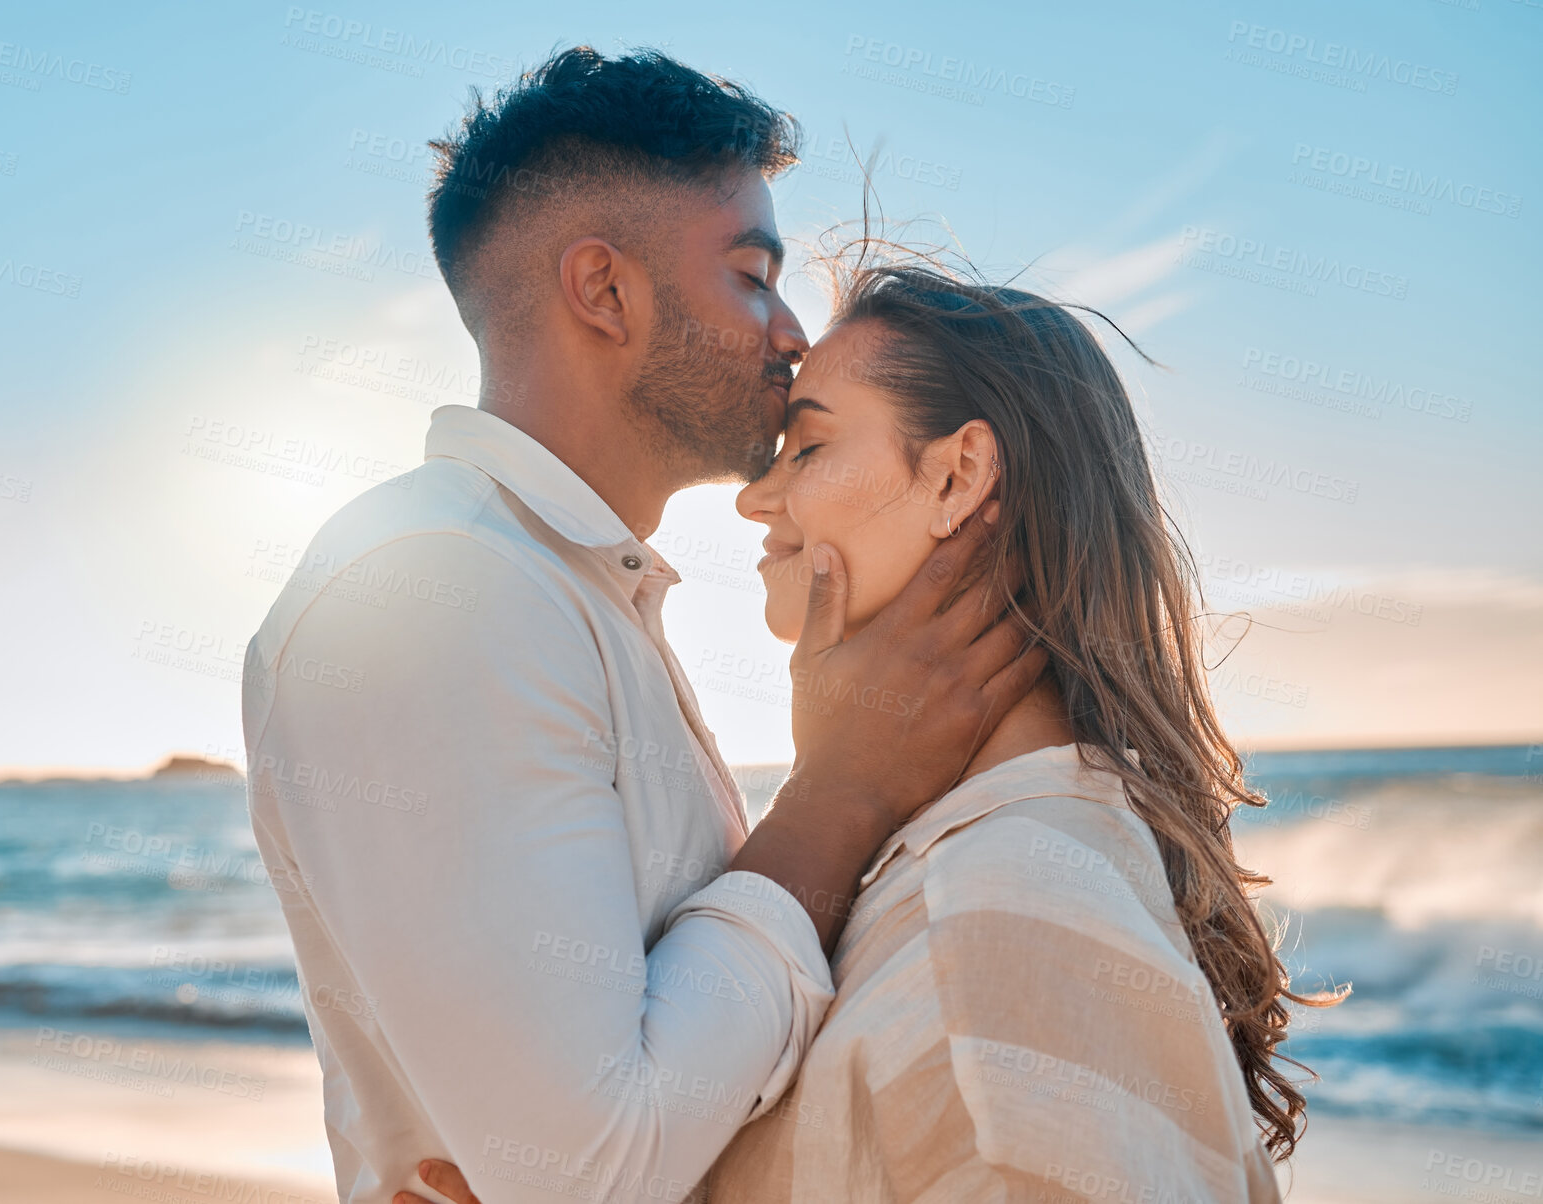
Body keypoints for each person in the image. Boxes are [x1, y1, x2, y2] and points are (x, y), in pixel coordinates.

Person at [242, 50, 1043, 1204]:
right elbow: (591, 1173)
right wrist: (839, 794)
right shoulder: (439, 590)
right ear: (604, 292)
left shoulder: (566, 590)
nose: (790, 334)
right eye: (753, 274)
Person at [402, 260, 1323, 1203]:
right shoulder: (945, 863)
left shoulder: (1007, 908)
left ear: (959, 475)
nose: (754, 500)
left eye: (805, 451)